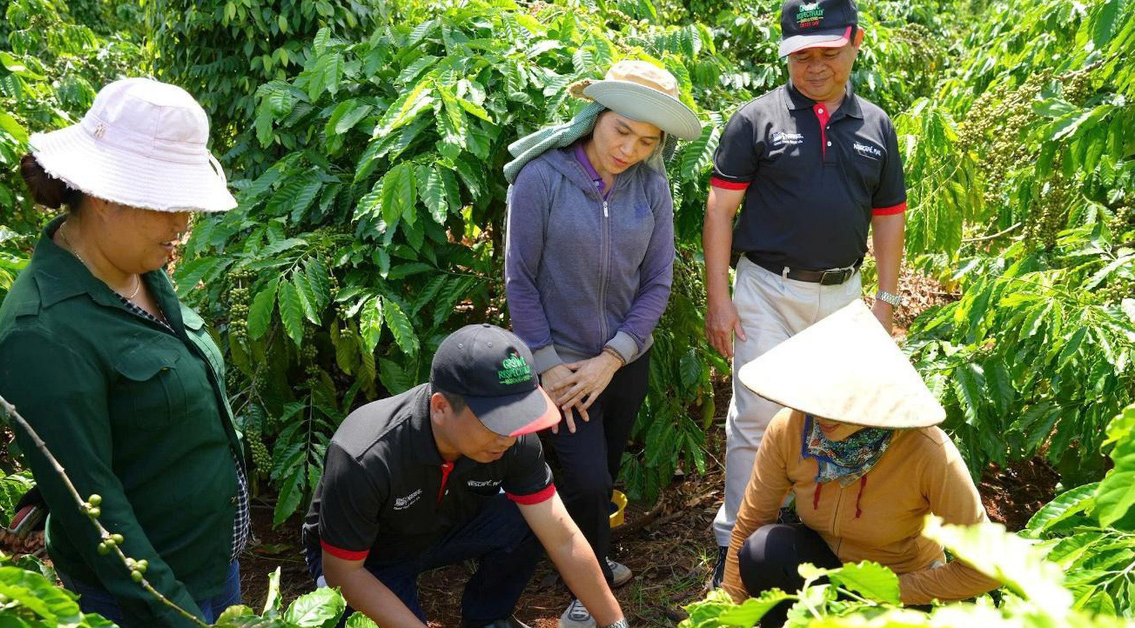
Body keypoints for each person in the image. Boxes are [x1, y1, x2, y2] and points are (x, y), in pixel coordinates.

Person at [0, 77, 245, 626]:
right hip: (149, 595)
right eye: (169, 206)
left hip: (209, 563)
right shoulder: (42, 334)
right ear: (105, 197)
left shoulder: (137, 270)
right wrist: (173, 610)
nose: (183, 224)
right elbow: (93, 508)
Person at [703, 0, 909, 587]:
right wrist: (721, 300)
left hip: (843, 296)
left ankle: (813, 534)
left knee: (836, 417)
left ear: (855, 44)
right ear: (787, 53)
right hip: (766, 288)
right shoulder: (755, 120)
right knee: (757, 415)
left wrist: (886, 302)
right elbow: (720, 211)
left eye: (828, 52)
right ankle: (736, 542)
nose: (816, 65)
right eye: (802, 54)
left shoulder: (876, 125)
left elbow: (888, 217)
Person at [503, 59, 702, 628]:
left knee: (605, 468)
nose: (630, 150)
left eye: (646, 141)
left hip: (622, 361)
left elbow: (656, 281)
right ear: (595, 116)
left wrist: (614, 357)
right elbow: (520, 281)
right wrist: (547, 366)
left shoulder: (653, 186)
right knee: (586, 477)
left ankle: (596, 554)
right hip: (560, 367)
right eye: (622, 131)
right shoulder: (540, 178)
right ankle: (585, 592)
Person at [300, 324, 630, 628]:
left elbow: (563, 536)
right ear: (441, 408)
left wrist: (615, 622)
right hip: (367, 559)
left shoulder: (512, 440)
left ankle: (488, 618)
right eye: (497, 421)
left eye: (520, 416)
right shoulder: (365, 455)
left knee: (528, 519)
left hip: (440, 527)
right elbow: (343, 572)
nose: (509, 437)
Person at [721, 300, 999, 627]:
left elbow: (986, 569)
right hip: (824, 573)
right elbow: (751, 523)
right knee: (762, 550)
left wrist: (884, 591)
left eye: (840, 405)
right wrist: (728, 614)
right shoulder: (789, 429)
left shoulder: (927, 451)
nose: (823, 417)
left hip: (899, 588)